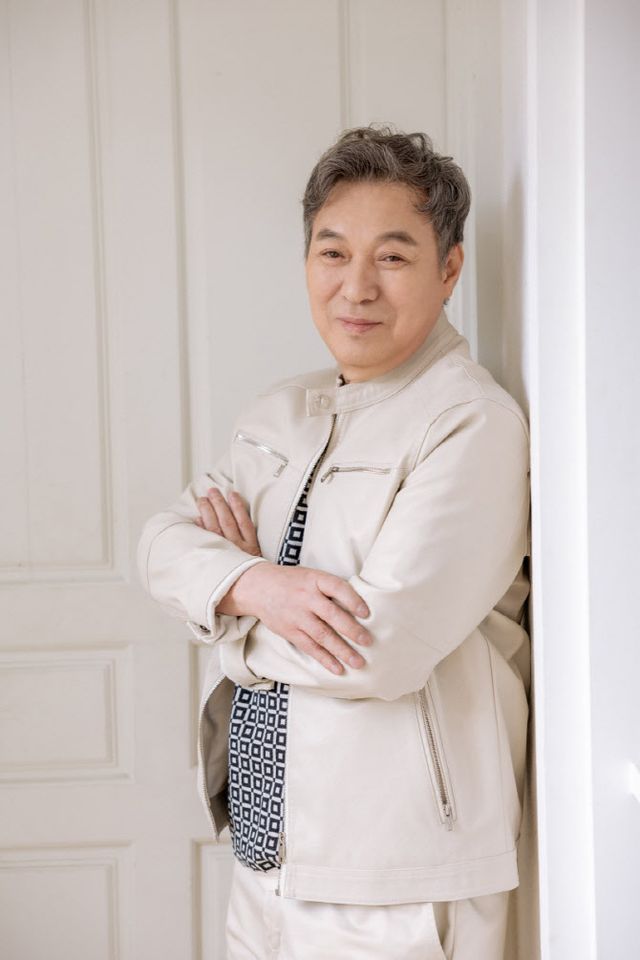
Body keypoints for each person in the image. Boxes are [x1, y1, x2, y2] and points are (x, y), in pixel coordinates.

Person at [136, 124, 532, 959]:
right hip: (265, 857)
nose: (357, 287)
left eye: (393, 256)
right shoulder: (281, 413)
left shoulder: (472, 423)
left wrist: (224, 608)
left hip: (396, 882)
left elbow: (375, 650)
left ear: (449, 268)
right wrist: (256, 586)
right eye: (333, 253)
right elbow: (160, 544)